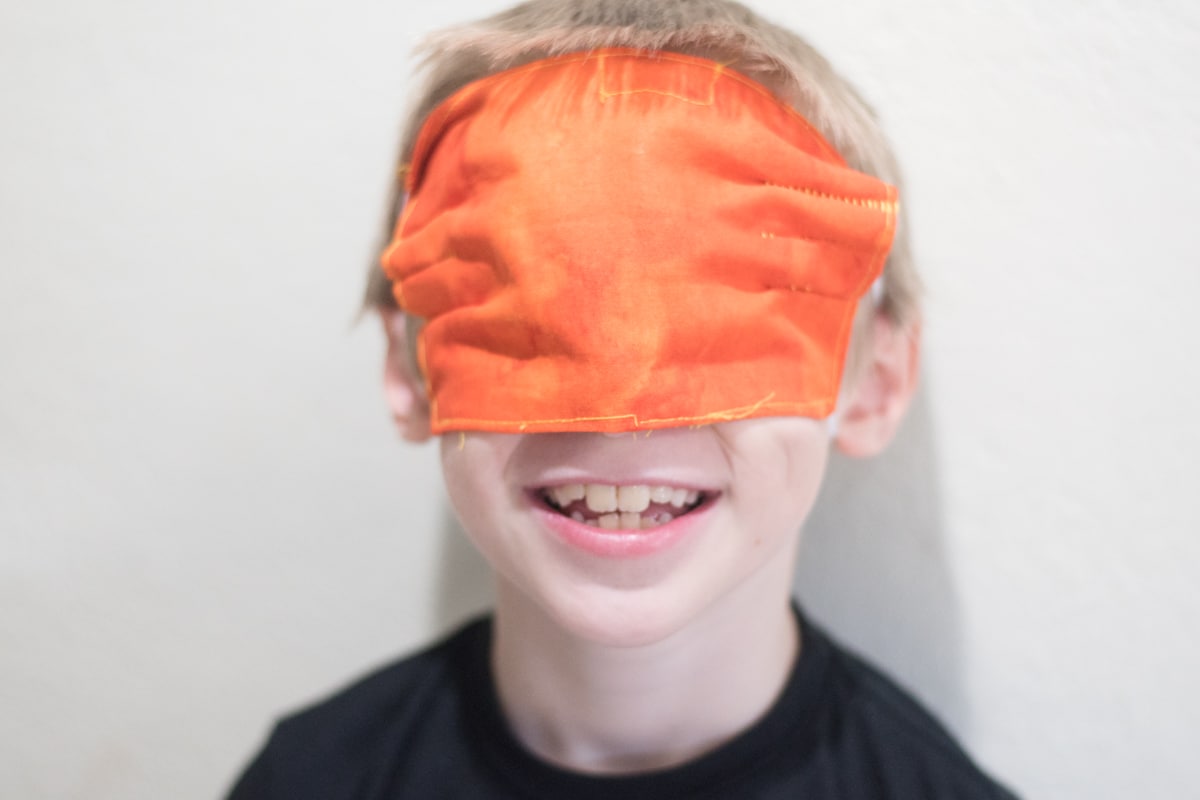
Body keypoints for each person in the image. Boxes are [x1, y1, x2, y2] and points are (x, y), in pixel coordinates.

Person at [227, 0, 1018, 797]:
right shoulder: (305, 779)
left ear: (877, 383)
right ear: (411, 373)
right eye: (528, 307)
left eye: (720, 309)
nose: (624, 405)